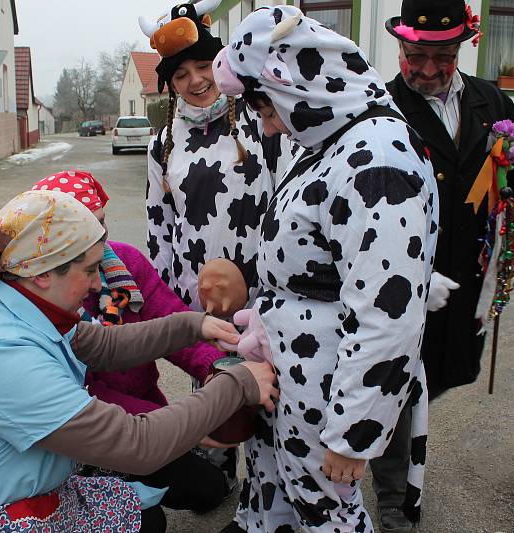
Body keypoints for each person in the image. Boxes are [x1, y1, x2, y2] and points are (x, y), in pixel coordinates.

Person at [0, 189, 278, 533]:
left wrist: (191, 325)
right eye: (87, 270)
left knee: (144, 520)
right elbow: (138, 444)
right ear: (42, 274)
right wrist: (238, 382)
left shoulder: (15, 304)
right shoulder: (1, 355)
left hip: (1, 489)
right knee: (145, 519)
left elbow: (103, 345)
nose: (95, 283)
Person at [212, 6, 439, 532]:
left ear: (298, 87)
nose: (266, 124)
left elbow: (389, 314)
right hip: (297, 377)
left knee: (325, 512)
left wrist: (354, 433)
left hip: (327, 390)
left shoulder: (379, 157)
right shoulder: (327, 142)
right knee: (278, 488)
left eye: (266, 107)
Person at [370, 1, 514, 530]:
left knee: (434, 377)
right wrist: (400, 272)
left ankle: (398, 462)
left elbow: (511, 192)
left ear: (462, 48)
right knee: (394, 382)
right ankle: (394, 495)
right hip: (403, 278)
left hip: (465, 275)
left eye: (445, 55)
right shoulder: (379, 108)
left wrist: (507, 261)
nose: (431, 70)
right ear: (400, 48)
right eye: (418, 56)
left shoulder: (492, 102)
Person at [140, 0, 292, 491]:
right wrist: (164, 303)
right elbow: (159, 223)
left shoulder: (258, 120)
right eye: (180, 74)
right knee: (216, 389)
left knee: (269, 390)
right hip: (201, 297)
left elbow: (287, 198)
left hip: (262, 290)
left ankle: (266, 496)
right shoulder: (163, 142)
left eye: (203, 66)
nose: (195, 81)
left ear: (219, 62)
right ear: (170, 82)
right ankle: (219, 482)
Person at [31, 170, 230, 513]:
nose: (100, 237)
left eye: (102, 223)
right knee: (145, 521)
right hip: (86, 439)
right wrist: (179, 425)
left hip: (144, 419)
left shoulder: (124, 264)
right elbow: (86, 395)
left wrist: (216, 366)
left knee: (208, 489)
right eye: (86, 229)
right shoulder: (48, 302)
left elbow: (167, 318)